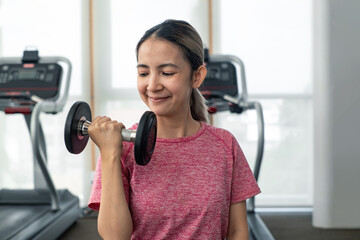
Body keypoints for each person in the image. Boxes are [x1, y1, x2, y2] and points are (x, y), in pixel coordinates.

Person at [88, 19, 260, 239]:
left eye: (167, 73)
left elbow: (237, 230)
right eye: (143, 73)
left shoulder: (225, 145)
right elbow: (114, 236)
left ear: (196, 76)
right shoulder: (121, 148)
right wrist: (110, 154)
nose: (152, 85)